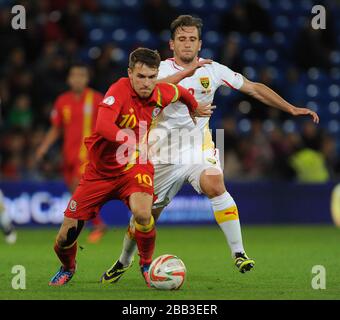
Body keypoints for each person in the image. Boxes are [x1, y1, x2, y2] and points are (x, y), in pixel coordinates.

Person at [101, 15, 319, 284]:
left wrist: (291, 108)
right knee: (145, 217)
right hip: (160, 154)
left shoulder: (213, 70)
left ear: (200, 43)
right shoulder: (160, 70)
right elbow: (147, 89)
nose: (187, 44)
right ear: (172, 44)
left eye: (192, 39)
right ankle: (123, 261)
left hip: (197, 148)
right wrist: (185, 78)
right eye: (182, 39)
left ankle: (239, 252)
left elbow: (253, 88)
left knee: (215, 183)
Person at [48, 47, 205, 287]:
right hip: (99, 173)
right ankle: (68, 267)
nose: (146, 83)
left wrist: (194, 107)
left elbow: (179, 92)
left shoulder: (159, 92)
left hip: (135, 167)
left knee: (143, 214)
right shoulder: (118, 90)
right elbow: (102, 126)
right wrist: (130, 140)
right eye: (141, 77)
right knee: (63, 238)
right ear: (130, 73)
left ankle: (145, 264)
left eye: (152, 77)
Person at [35, 63, 108, 243]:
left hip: (88, 154)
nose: (77, 79)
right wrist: (43, 147)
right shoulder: (62, 101)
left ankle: (93, 226)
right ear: (69, 79)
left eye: (81, 75)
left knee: (78, 189)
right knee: (73, 190)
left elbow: (107, 125)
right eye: (74, 75)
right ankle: (93, 223)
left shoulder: (97, 99)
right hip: (68, 154)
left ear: (87, 78)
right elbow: (56, 128)